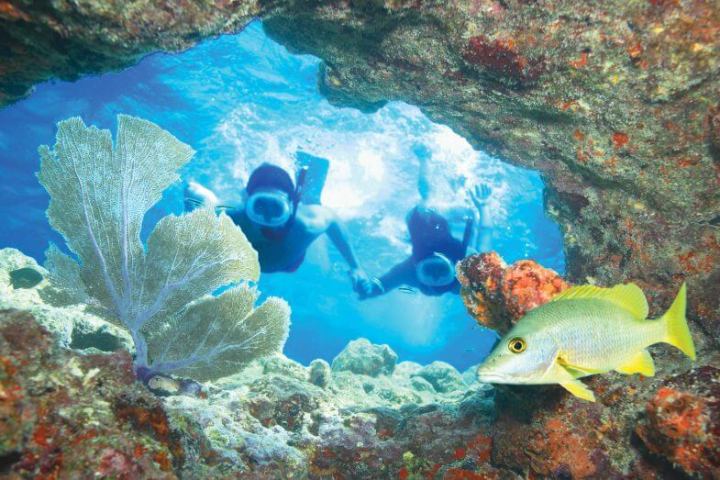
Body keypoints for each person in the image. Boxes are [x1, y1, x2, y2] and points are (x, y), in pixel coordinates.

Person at [185, 162, 373, 293]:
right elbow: (194, 194)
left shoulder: (306, 225)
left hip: (290, 263)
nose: (266, 219)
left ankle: (312, 173)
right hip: (282, 258)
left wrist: (356, 267)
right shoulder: (228, 218)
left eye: (276, 209)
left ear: (290, 207)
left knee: (313, 201)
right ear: (246, 202)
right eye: (259, 207)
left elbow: (331, 219)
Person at [356, 184, 491, 299]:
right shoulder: (467, 265)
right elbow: (485, 231)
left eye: (430, 270)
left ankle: (427, 179)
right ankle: (445, 199)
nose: (436, 275)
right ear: (453, 267)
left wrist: (366, 289)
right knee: (470, 225)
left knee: (423, 209)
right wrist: (483, 207)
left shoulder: (407, 271)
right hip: (450, 247)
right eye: (441, 270)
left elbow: (379, 286)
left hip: (429, 234)